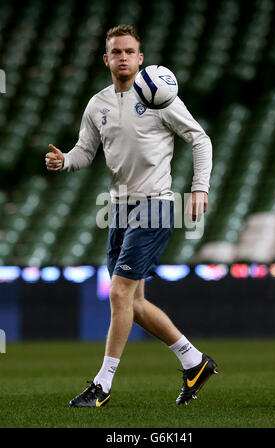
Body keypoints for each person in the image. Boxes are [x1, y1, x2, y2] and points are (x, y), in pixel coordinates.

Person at [45, 24, 218, 407]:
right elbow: (84, 153)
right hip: (117, 208)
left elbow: (200, 139)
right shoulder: (98, 104)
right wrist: (63, 161)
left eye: (129, 51)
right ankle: (194, 362)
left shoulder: (160, 97)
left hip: (155, 204)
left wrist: (200, 187)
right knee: (133, 304)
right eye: (116, 52)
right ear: (106, 59)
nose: (123, 57)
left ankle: (102, 385)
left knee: (119, 292)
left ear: (141, 58)